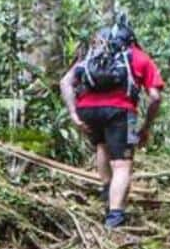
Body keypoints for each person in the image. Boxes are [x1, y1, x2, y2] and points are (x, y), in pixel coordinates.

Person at [58, 18, 164, 229]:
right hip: (123, 112)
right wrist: (146, 126)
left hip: (88, 110)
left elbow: (65, 82)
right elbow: (155, 97)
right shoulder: (138, 57)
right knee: (123, 164)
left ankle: (108, 190)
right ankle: (115, 216)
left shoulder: (92, 55)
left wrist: (73, 113)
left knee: (102, 146)